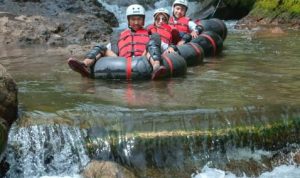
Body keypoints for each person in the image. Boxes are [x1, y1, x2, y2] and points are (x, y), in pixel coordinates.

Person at [68, 4, 166, 80]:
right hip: (121, 60)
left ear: (143, 21)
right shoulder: (121, 35)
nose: (136, 22)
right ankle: (84, 65)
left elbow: (161, 47)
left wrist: (171, 49)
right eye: (133, 19)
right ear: (128, 21)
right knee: (101, 47)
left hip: (143, 57)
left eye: (139, 19)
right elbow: (108, 48)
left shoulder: (149, 34)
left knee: (152, 45)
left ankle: (156, 68)